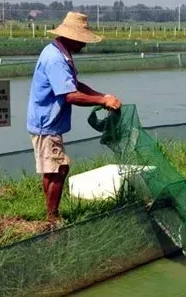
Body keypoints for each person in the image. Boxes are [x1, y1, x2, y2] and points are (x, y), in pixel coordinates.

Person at [26, 12, 122, 226]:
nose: (84, 45)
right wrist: (103, 101)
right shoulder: (55, 59)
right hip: (46, 123)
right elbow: (69, 95)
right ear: (71, 37)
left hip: (48, 122)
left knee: (53, 169)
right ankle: (52, 217)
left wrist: (102, 97)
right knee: (59, 169)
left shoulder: (61, 54)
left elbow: (75, 85)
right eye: (82, 40)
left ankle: (51, 213)